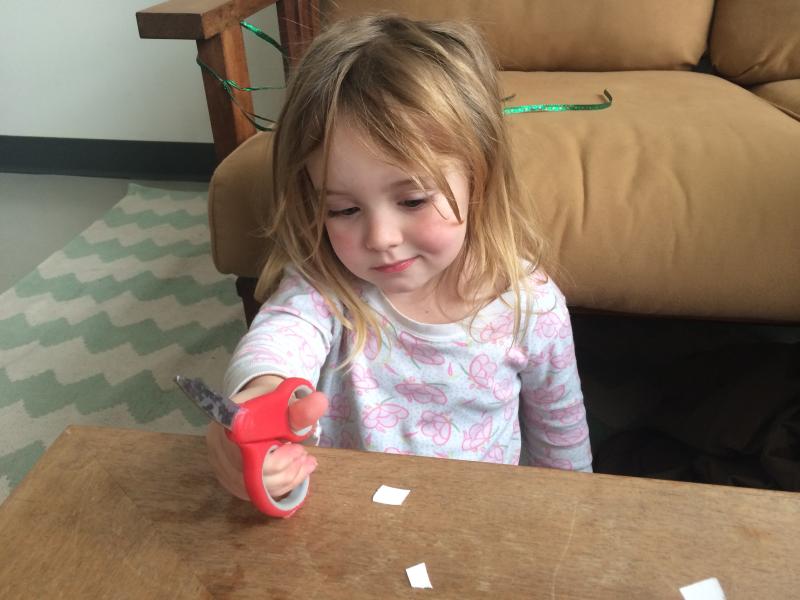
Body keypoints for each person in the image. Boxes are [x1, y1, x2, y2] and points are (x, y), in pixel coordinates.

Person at [207, 14, 592, 506]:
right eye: (343, 210)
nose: (381, 238)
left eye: (412, 201)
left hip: (479, 522)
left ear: (480, 175)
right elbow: (277, 342)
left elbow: (564, 452)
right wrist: (258, 405)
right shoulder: (324, 286)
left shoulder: (531, 307)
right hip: (351, 521)